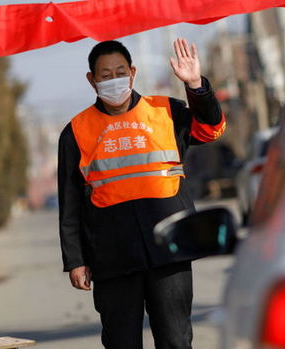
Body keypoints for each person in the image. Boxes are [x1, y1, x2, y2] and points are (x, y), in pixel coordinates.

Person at [57, 37, 225, 349]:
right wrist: (76, 259)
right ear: (91, 80)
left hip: (169, 248)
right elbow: (69, 202)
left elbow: (211, 128)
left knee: (176, 341)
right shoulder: (76, 131)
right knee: (121, 343)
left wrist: (196, 86)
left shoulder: (165, 112)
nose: (114, 80)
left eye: (120, 72)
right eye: (105, 75)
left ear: (132, 73)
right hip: (111, 255)